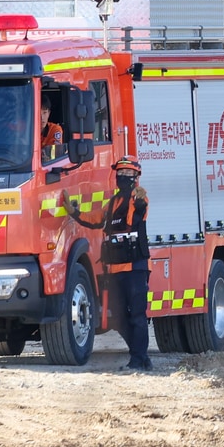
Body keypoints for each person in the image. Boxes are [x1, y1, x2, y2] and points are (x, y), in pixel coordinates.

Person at [68, 156, 152, 370]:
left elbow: (140, 210)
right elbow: (96, 219)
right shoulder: (113, 202)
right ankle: (141, 356)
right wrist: (74, 213)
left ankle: (137, 359)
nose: (123, 177)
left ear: (136, 177)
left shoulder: (137, 198)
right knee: (118, 318)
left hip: (135, 267)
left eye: (128, 174)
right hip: (114, 268)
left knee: (137, 316)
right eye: (120, 173)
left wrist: (140, 199)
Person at [40, 95, 64, 162]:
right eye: (38, 113)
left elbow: (54, 156)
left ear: (49, 113)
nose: (42, 118)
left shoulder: (55, 129)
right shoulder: (25, 131)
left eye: (44, 113)